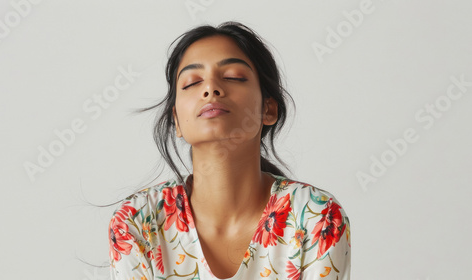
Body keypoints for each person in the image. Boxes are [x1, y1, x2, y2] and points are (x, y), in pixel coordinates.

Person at [108, 21, 351, 280]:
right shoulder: (136, 222)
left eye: (233, 77)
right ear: (177, 120)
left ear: (268, 109)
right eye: (192, 82)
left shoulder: (317, 217)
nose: (210, 89)